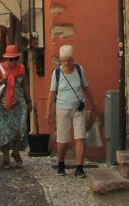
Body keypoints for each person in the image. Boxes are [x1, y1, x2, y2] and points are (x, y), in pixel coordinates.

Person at [46, 44, 97, 178]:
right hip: (62, 109)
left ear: (73, 58)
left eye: (69, 60)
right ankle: (61, 163)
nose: (67, 63)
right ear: (61, 60)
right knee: (62, 141)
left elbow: (85, 87)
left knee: (80, 138)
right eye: (64, 60)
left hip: (78, 108)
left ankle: (79, 167)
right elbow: (52, 93)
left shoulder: (80, 70)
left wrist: (92, 103)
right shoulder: (57, 73)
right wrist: (48, 110)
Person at [0, 45, 31, 168]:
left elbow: (25, 85)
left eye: (15, 59)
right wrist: (2, 80)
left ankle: (16, 152)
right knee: (5, 130)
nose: (13, 62)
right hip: (4, 103)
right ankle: (6, 157)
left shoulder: (21, 69)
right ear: (6, 59)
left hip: (19, 102)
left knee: (20, 127)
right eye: (10, 59)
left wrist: (29, 101)